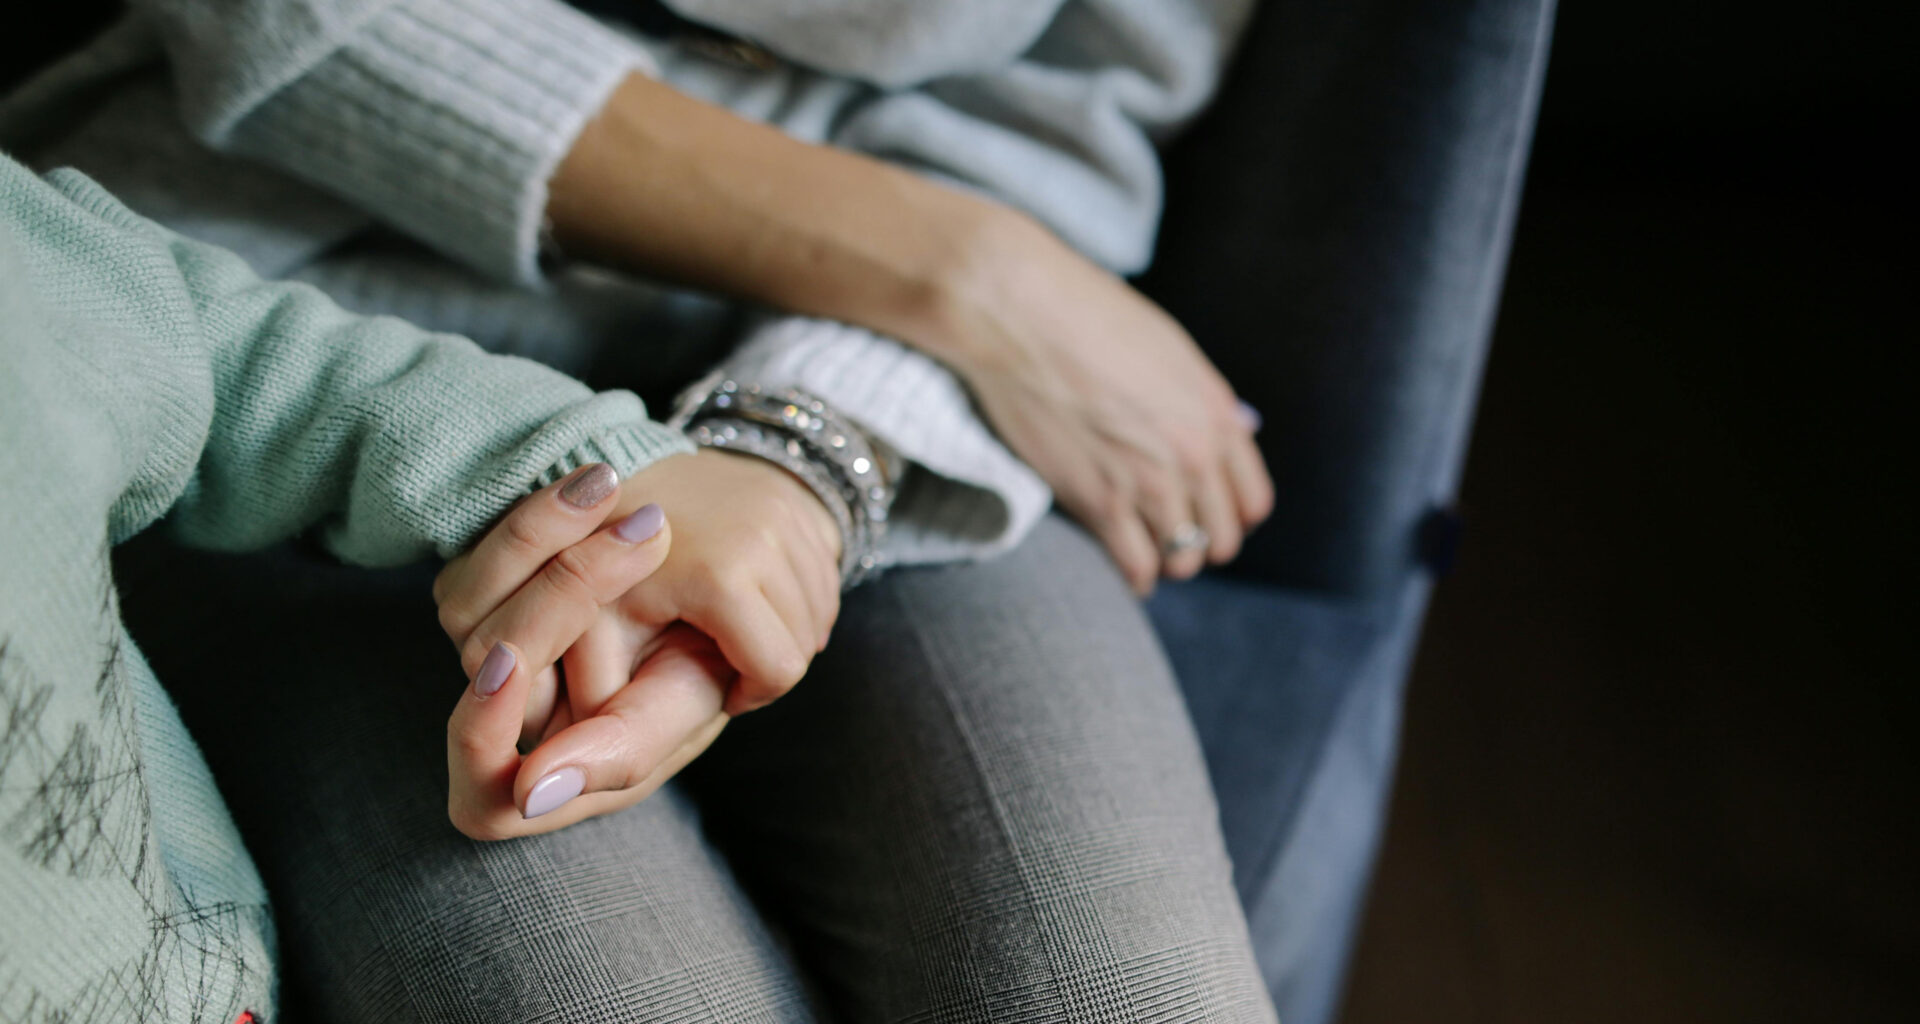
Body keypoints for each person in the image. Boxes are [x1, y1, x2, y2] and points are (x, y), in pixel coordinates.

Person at [2, 1, 1290, 1020]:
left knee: (1132, 1000)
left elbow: (1068, 124)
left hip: (910, 398)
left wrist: (800, 465)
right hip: (306, 381)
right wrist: (960, 267)